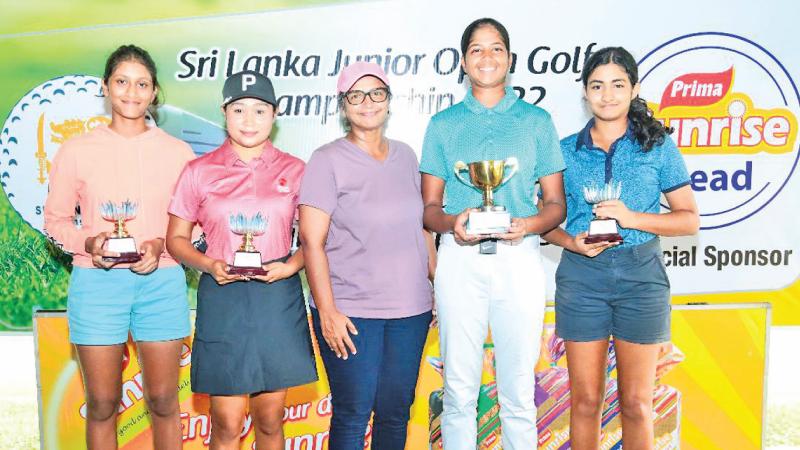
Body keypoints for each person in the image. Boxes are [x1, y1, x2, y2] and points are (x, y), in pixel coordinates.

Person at [420, 18, 567, 450]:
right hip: (460, 261)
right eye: (477, 50)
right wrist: (454, 224)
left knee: (518, 391)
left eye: (496, 48)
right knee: (459, 389)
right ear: (463, 61)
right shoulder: (443, 124)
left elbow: (556, 206)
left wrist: (528, 225)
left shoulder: (536, 121)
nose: (487, 58)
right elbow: (429, 211)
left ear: (510, 57)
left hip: (519, 258)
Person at [541, 46, 699, 450]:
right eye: (597, 86)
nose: (607, 95)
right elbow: (544, 218)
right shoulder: (562, 150)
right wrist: (569, 242)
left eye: (617, 85)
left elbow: (687, 219)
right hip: (582, 278)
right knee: (586, 401)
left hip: (641, 278)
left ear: (634, 89)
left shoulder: (658, 145)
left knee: (636, 403)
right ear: (584, 92)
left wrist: (632, 218)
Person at [43, 44, 193, 449]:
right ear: (105, 87)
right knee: (103, 403)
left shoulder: (179, 154)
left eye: (142, 83)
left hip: (161, 283)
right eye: (122, 81)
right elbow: (54, 222)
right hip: (97, 285)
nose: (131, 92)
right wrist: (89, 241)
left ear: (155, 92)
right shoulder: (76, 150)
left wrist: (161, 245)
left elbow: (193, 227)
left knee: (163, 401)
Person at [165, 70, 317, 450]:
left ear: (275, 114)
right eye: (239, 110)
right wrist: (209, 265)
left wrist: (292, 266)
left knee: (269, 420)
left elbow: (316, 239)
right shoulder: (198, 172)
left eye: (260, 110)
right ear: (224, 113)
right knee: (227, 423)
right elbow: (176, 240)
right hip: (223, 294)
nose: (249, 121)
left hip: (277, 295)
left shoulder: (297, 171)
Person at [298, 61, 435, 450]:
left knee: (396, 413)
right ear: (343, 106)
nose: (367, 103)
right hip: (351, 312)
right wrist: (327, 311)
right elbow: (311, 241)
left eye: (376, 93)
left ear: (389, 102)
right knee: (353, 412)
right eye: (356, 96)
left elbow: (422, 226)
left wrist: (434, 283)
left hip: (410, 310)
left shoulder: (407, 156)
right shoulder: (326, 160)